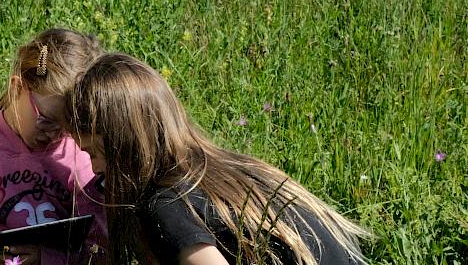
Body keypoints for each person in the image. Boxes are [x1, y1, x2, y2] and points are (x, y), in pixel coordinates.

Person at [66, 53, 370, 265]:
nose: (94, 169)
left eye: (94, 152)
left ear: (125, 143)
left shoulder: (167, 205)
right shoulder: (224, 169)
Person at [0, 29, 108, 265]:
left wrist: (47, 259)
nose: (55, 134)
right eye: (46, 119)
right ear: (17, 87)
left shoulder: (82, 154)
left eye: (68, 126)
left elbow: (98, 243)